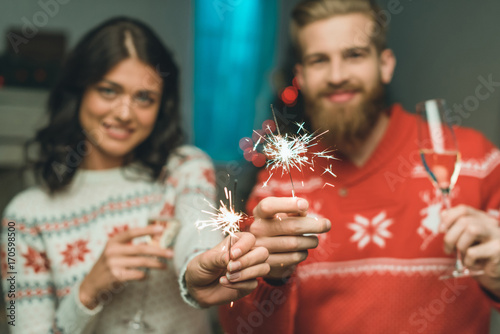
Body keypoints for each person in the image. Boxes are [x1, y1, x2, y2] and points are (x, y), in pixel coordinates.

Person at [220, 0, 500, 333]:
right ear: (302, 77)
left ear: (385, 64)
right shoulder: (279, 184)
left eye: (354, 55)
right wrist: (272, 278)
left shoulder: (473, 158)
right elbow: (243, 327)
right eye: (319, 60)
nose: (338, 76)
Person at [0, 17, 270, 334]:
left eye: (143, 97)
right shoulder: (22, 218)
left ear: (161, 105)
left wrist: (200, 272)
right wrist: (88, 292)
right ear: (78, 93)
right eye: (108, 90)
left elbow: (197, 244)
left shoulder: (184, 168)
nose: (125, 113)